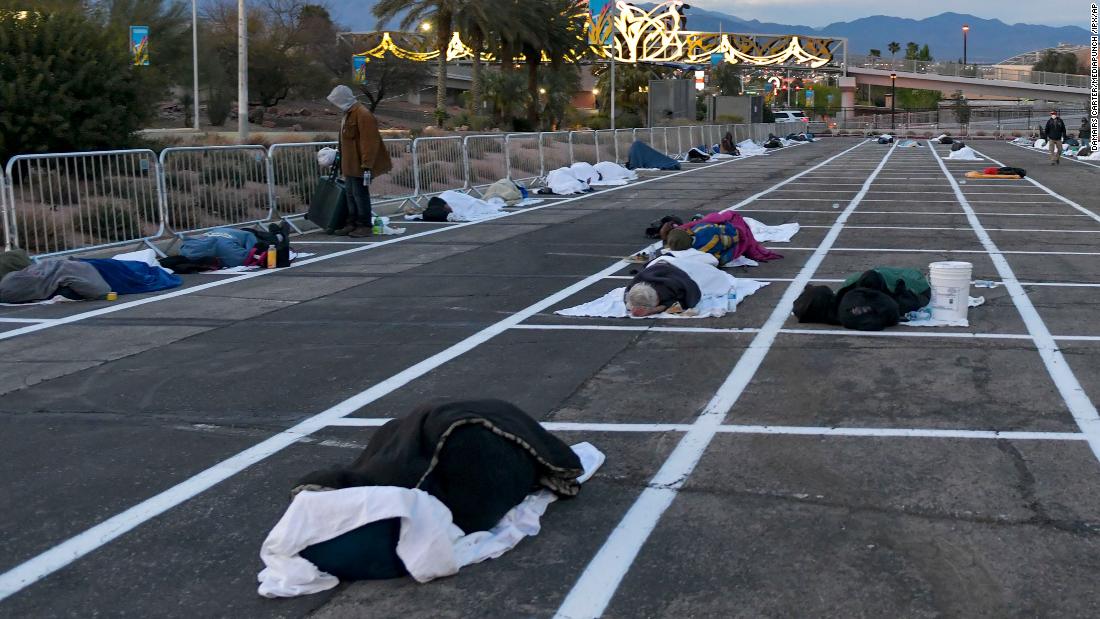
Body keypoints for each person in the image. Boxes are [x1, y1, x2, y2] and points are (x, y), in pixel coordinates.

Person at [326, 85, 393, 237]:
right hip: (349, 164)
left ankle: (364, 225)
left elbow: (369, 142)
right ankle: (352, 223)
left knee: (360, 195)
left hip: (359, 164)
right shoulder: (348, 114)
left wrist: (366, 164)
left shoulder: (362, 114)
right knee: (350, 195)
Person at [624, 260, 700, 317]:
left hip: (679, 264)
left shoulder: (673, 286)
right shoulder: (636, 282)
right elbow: (628, 296)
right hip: (655, 265)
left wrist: (656, 309)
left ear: (658, 299)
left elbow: (691, 297)